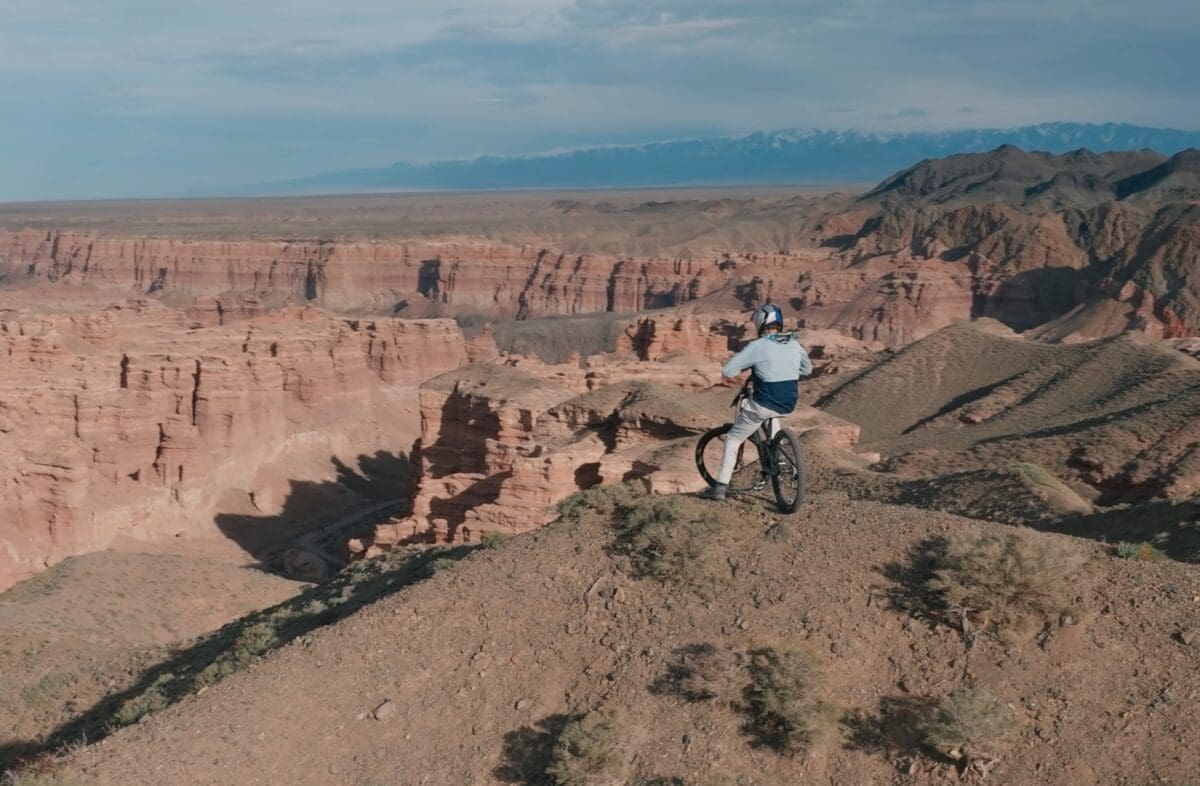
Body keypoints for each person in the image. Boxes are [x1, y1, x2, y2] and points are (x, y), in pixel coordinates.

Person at [702, 303, 812, 501]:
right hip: (788, 403)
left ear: (760, 324)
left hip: (762, 404)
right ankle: (777, 457)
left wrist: (752, 365)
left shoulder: (757, 346)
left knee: (733, 439)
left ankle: (719, 488)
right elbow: (807, 370)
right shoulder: (794, 343)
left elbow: (728, 372)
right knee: (772, 414)